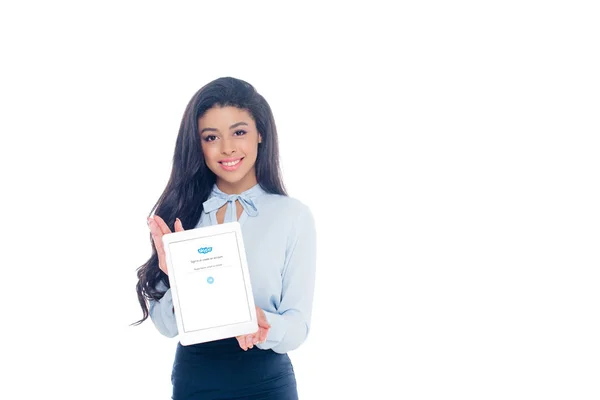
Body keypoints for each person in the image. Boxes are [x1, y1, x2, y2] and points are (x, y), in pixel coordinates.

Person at [134, 77, 317, 399]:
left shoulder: (292, 216)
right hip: (195, 379)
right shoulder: (179, 214)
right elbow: (166, 327)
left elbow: (297, 328)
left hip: (265, 381)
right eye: (211, 137)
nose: (228, 148)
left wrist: (264, 324)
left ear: (261, 133)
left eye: (239, 132)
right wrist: (172, 273)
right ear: (197, 144)